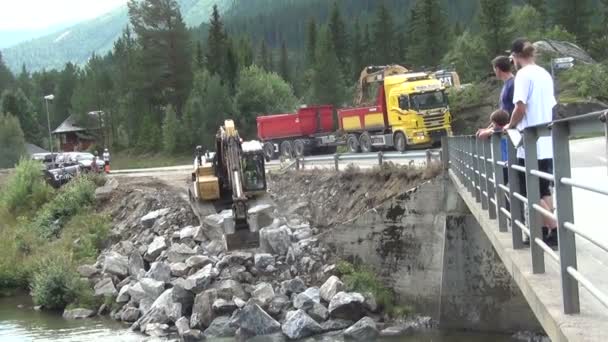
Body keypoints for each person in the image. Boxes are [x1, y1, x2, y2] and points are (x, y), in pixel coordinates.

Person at [505, 38, 558, 246]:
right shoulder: (544, 73)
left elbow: (520, 107)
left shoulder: (523, 75)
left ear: (515, 57)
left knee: (529, 190)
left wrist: (510, 125)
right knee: (544, 188)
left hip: (530, 141)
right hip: (546, 140)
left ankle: (555, 228)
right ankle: (545, 231)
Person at [477, 55, 515, 184]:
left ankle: (509, 202)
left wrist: (490, 131)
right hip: (504, 132)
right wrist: (488, 128)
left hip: (509, 133)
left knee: (506, 175)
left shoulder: (512, 85)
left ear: (498, 69)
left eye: (494, 68)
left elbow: (508, 114)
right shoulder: (507, 85)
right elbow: (500, 115)